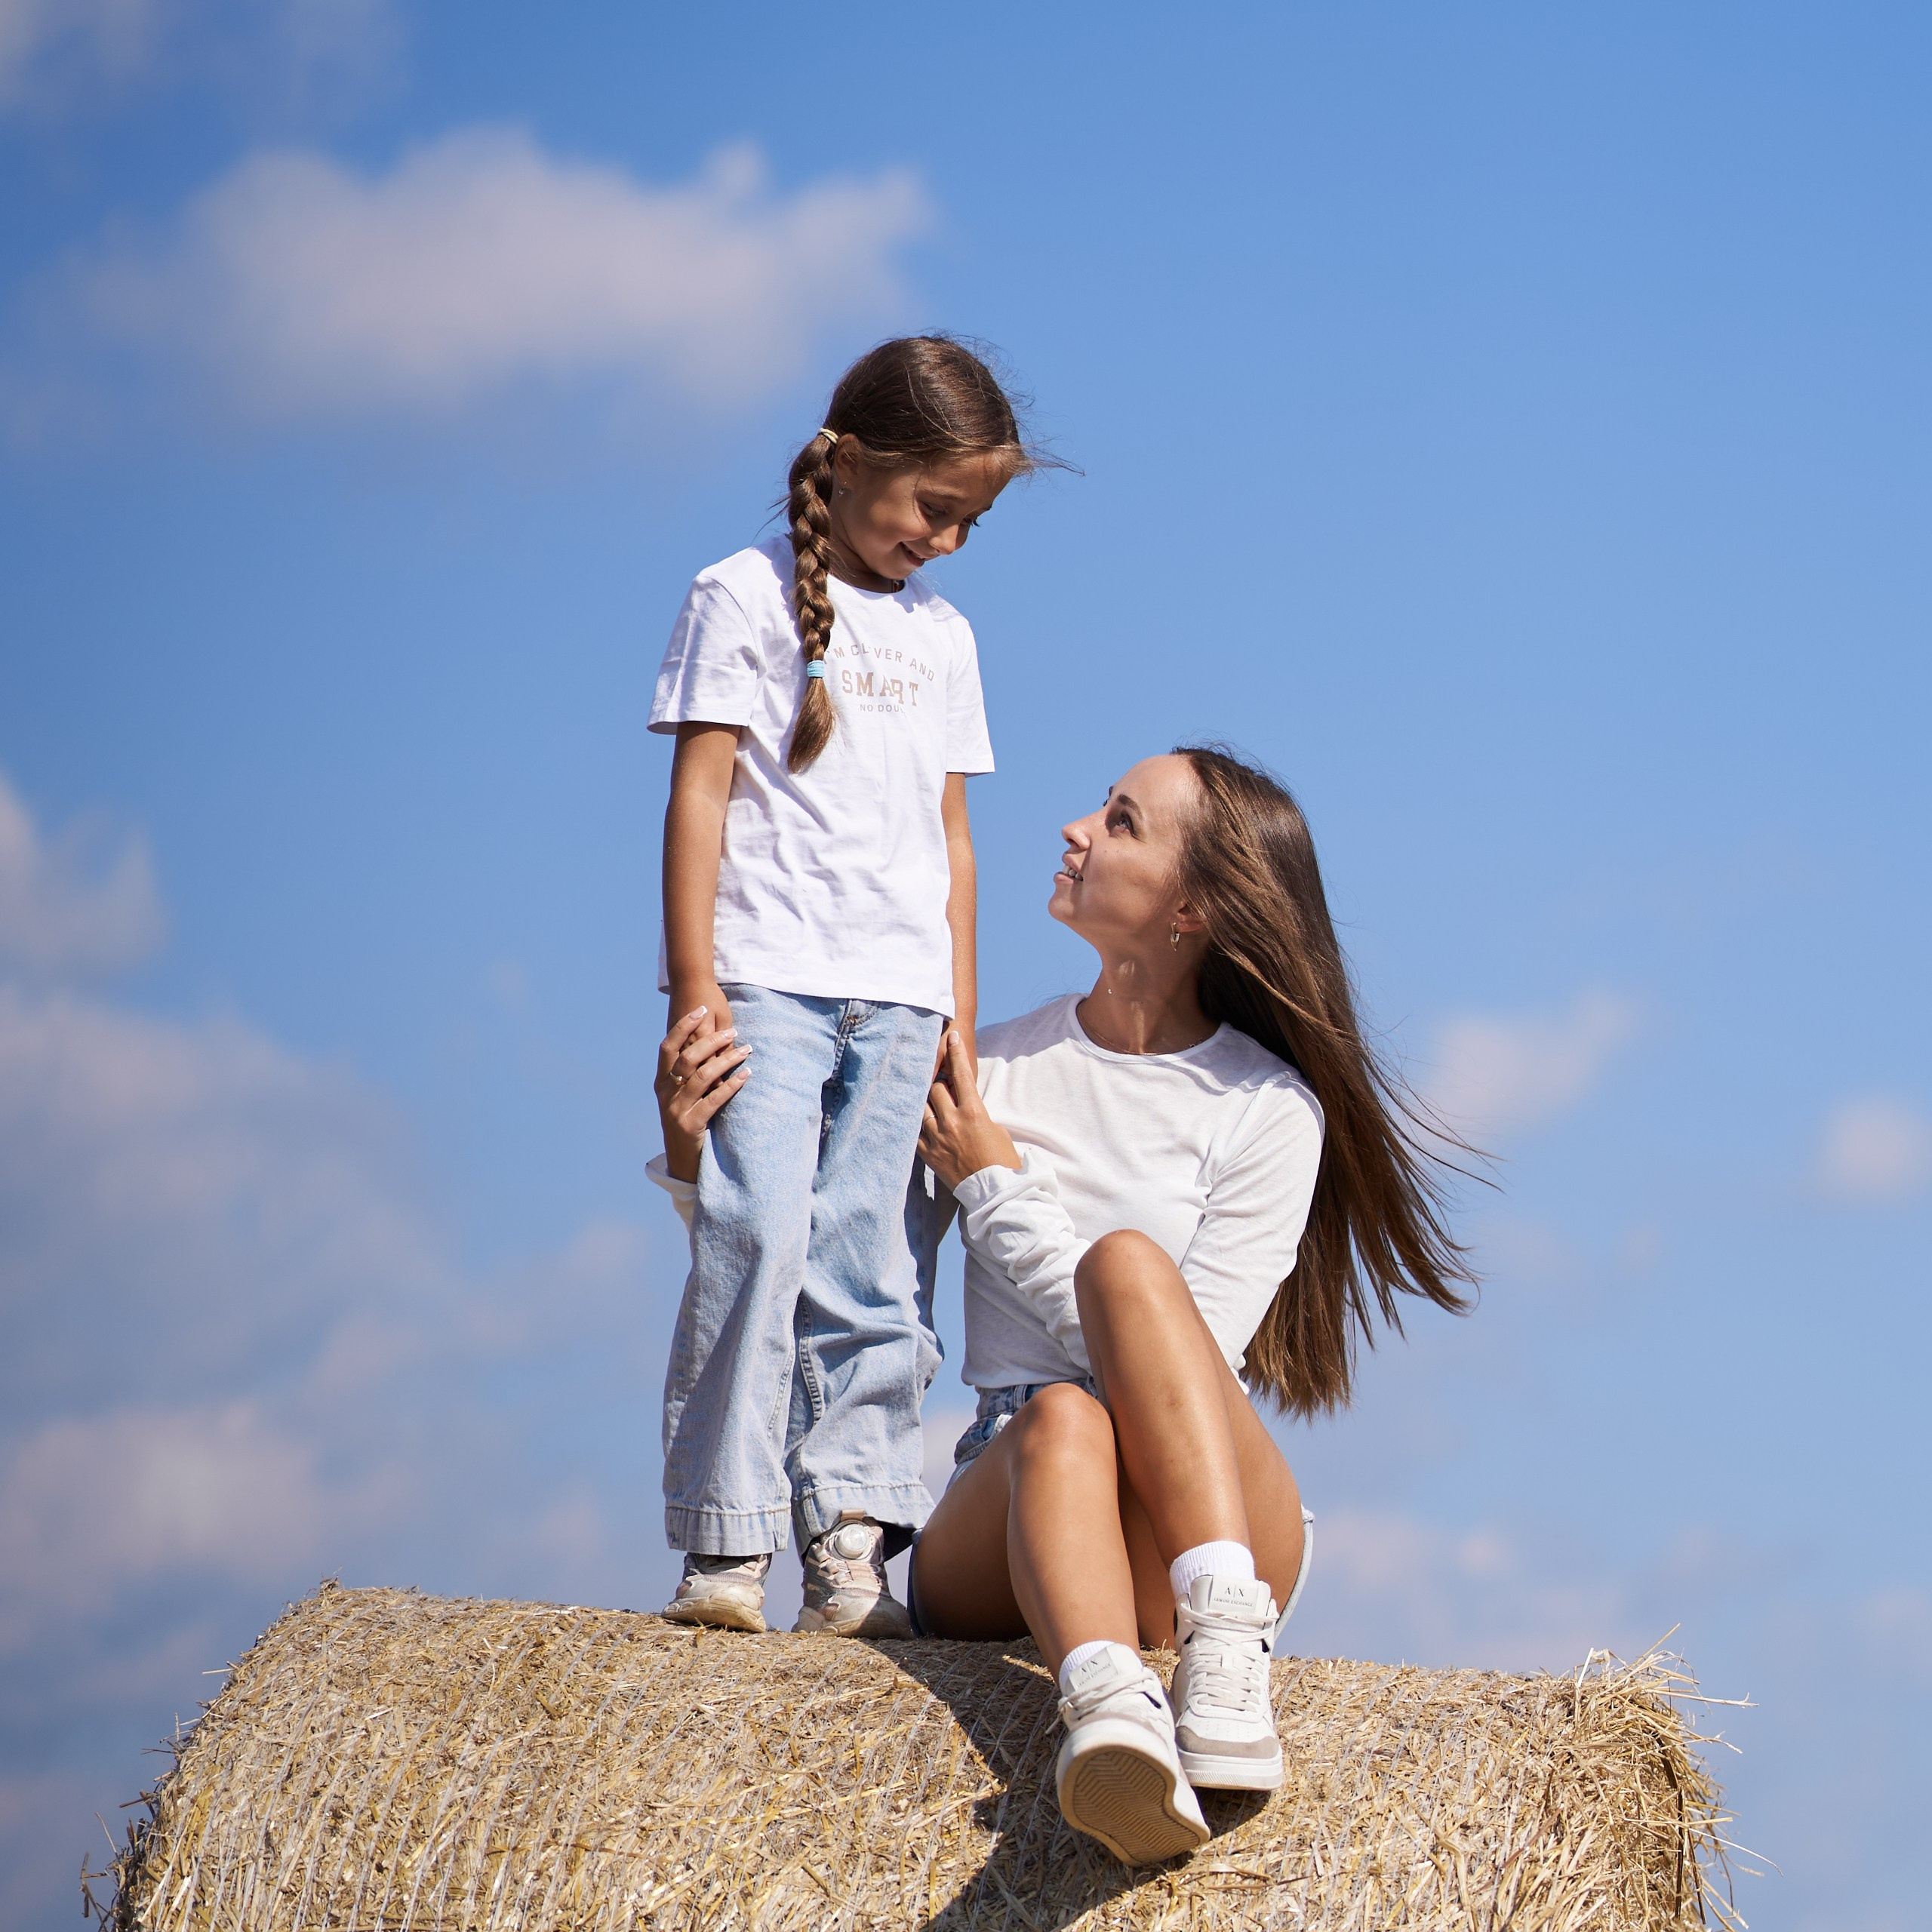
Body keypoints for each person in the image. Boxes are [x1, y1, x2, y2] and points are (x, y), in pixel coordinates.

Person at [906, 746, 1475, 1864]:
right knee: (1058, 1419)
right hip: (1012, 1483)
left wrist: (993, 1185)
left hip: (1194, 1508)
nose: (1074, 828)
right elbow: (853, 1273)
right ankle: (1110, 1715)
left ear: (1192, 909)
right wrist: (698, 1159)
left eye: (1119, 822)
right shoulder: (992, 1070)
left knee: (1128, 1273)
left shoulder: (1268, 1112)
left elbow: (1177, 1360)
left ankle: (1223, 1639)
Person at [645, 337, 1038, 1640]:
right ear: (852, 457)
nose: (948, 541)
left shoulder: (947, 639)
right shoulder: (739, 595)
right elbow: (700, 794)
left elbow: (954, 841)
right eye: (936, 509)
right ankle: (726, 1542)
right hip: (769, 978)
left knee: (874, 1265)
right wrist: (694, 982)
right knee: (757, 1237)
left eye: (971, 522)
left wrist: (959, 1017)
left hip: (904, 995)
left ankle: (852, 1539)